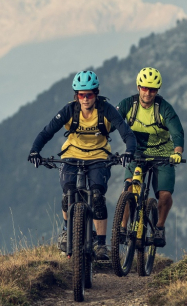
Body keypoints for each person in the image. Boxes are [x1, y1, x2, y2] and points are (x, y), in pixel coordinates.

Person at [28, 70, 137, 260]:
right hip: (71, 155)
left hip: (99, 156)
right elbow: (47, 131)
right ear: (76, 95)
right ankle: (65, 231)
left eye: (89, 95)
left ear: (96, 93)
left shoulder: (106, 110)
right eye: (81, 95)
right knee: (68, 193)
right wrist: (35, 151)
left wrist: (129, 152)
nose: (85, 99)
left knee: (97, 196)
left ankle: (102, 244)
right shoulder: (70, 110)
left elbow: (127, 133)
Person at [116, 67, 184, 248]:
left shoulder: (164, 108)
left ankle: (159, 227)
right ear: (138, 87)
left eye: (152, 89)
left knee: (165, 194)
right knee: (129, 189)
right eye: (144, 88)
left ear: (158, 90)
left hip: (162, 153)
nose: (148, 93)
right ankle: (122, 228)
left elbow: (177, 131)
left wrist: (177, 152)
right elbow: (111, 122)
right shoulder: (127, 105)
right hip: (137, 152)